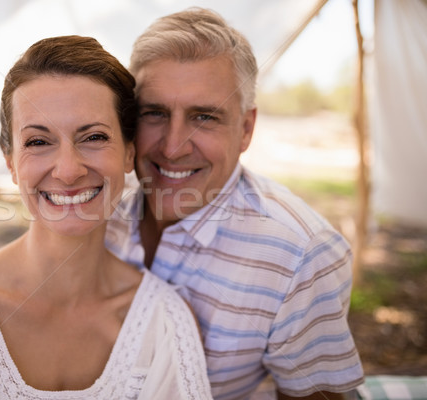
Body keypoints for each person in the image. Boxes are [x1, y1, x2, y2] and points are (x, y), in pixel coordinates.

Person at [0, 35, 212, 399]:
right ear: (10, 162)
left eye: (93, 136)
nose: (69, 170)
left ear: (128, 154)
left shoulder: (165, 323)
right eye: (38, 142)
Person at [104, 7, 364, 400]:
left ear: (245, 128)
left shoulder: (301, 254)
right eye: (154, 113)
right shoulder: (96, 208)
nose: (173, 147)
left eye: (204, 117)